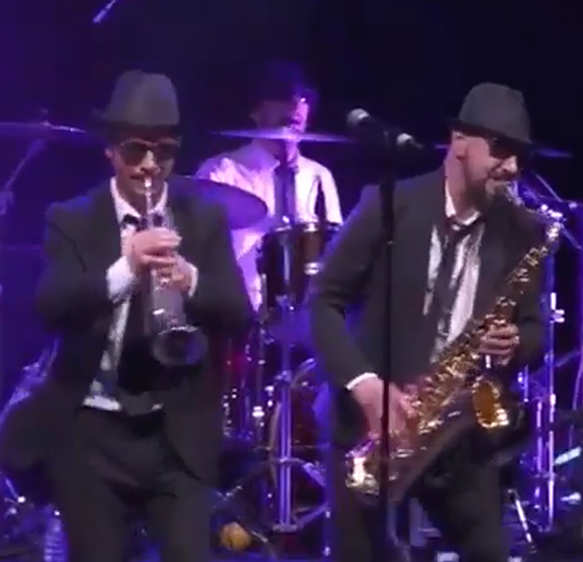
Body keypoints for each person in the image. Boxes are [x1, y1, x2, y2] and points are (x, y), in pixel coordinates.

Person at [0, 71, 253, 562]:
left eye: (164, 152)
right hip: (91, 433)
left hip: (176, 433)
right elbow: (51, 306)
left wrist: (190, 280)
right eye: (137, 150)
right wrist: (126, 269)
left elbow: (239, 314)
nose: (150, 166)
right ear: (111, 150)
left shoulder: (204, 219)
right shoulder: (72, 218)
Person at [310, 82, 548, 562]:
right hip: (372, 430)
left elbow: (535, 331)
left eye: (519, 156)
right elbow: (321, 304)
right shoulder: (388, 205)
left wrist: (516, 343)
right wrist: (365, 385)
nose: (512, 167)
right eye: (500, 149)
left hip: (458, 436)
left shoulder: (522, 231)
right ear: (459, 141)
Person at [195, 61, 344, 308]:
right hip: (239, 311)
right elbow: (200, 254)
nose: (295, 105)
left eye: (304, 98)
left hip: (307, 317)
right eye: (283, 96)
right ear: (256, 110)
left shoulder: (320, 176)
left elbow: (334, 251)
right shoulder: (222, 171)